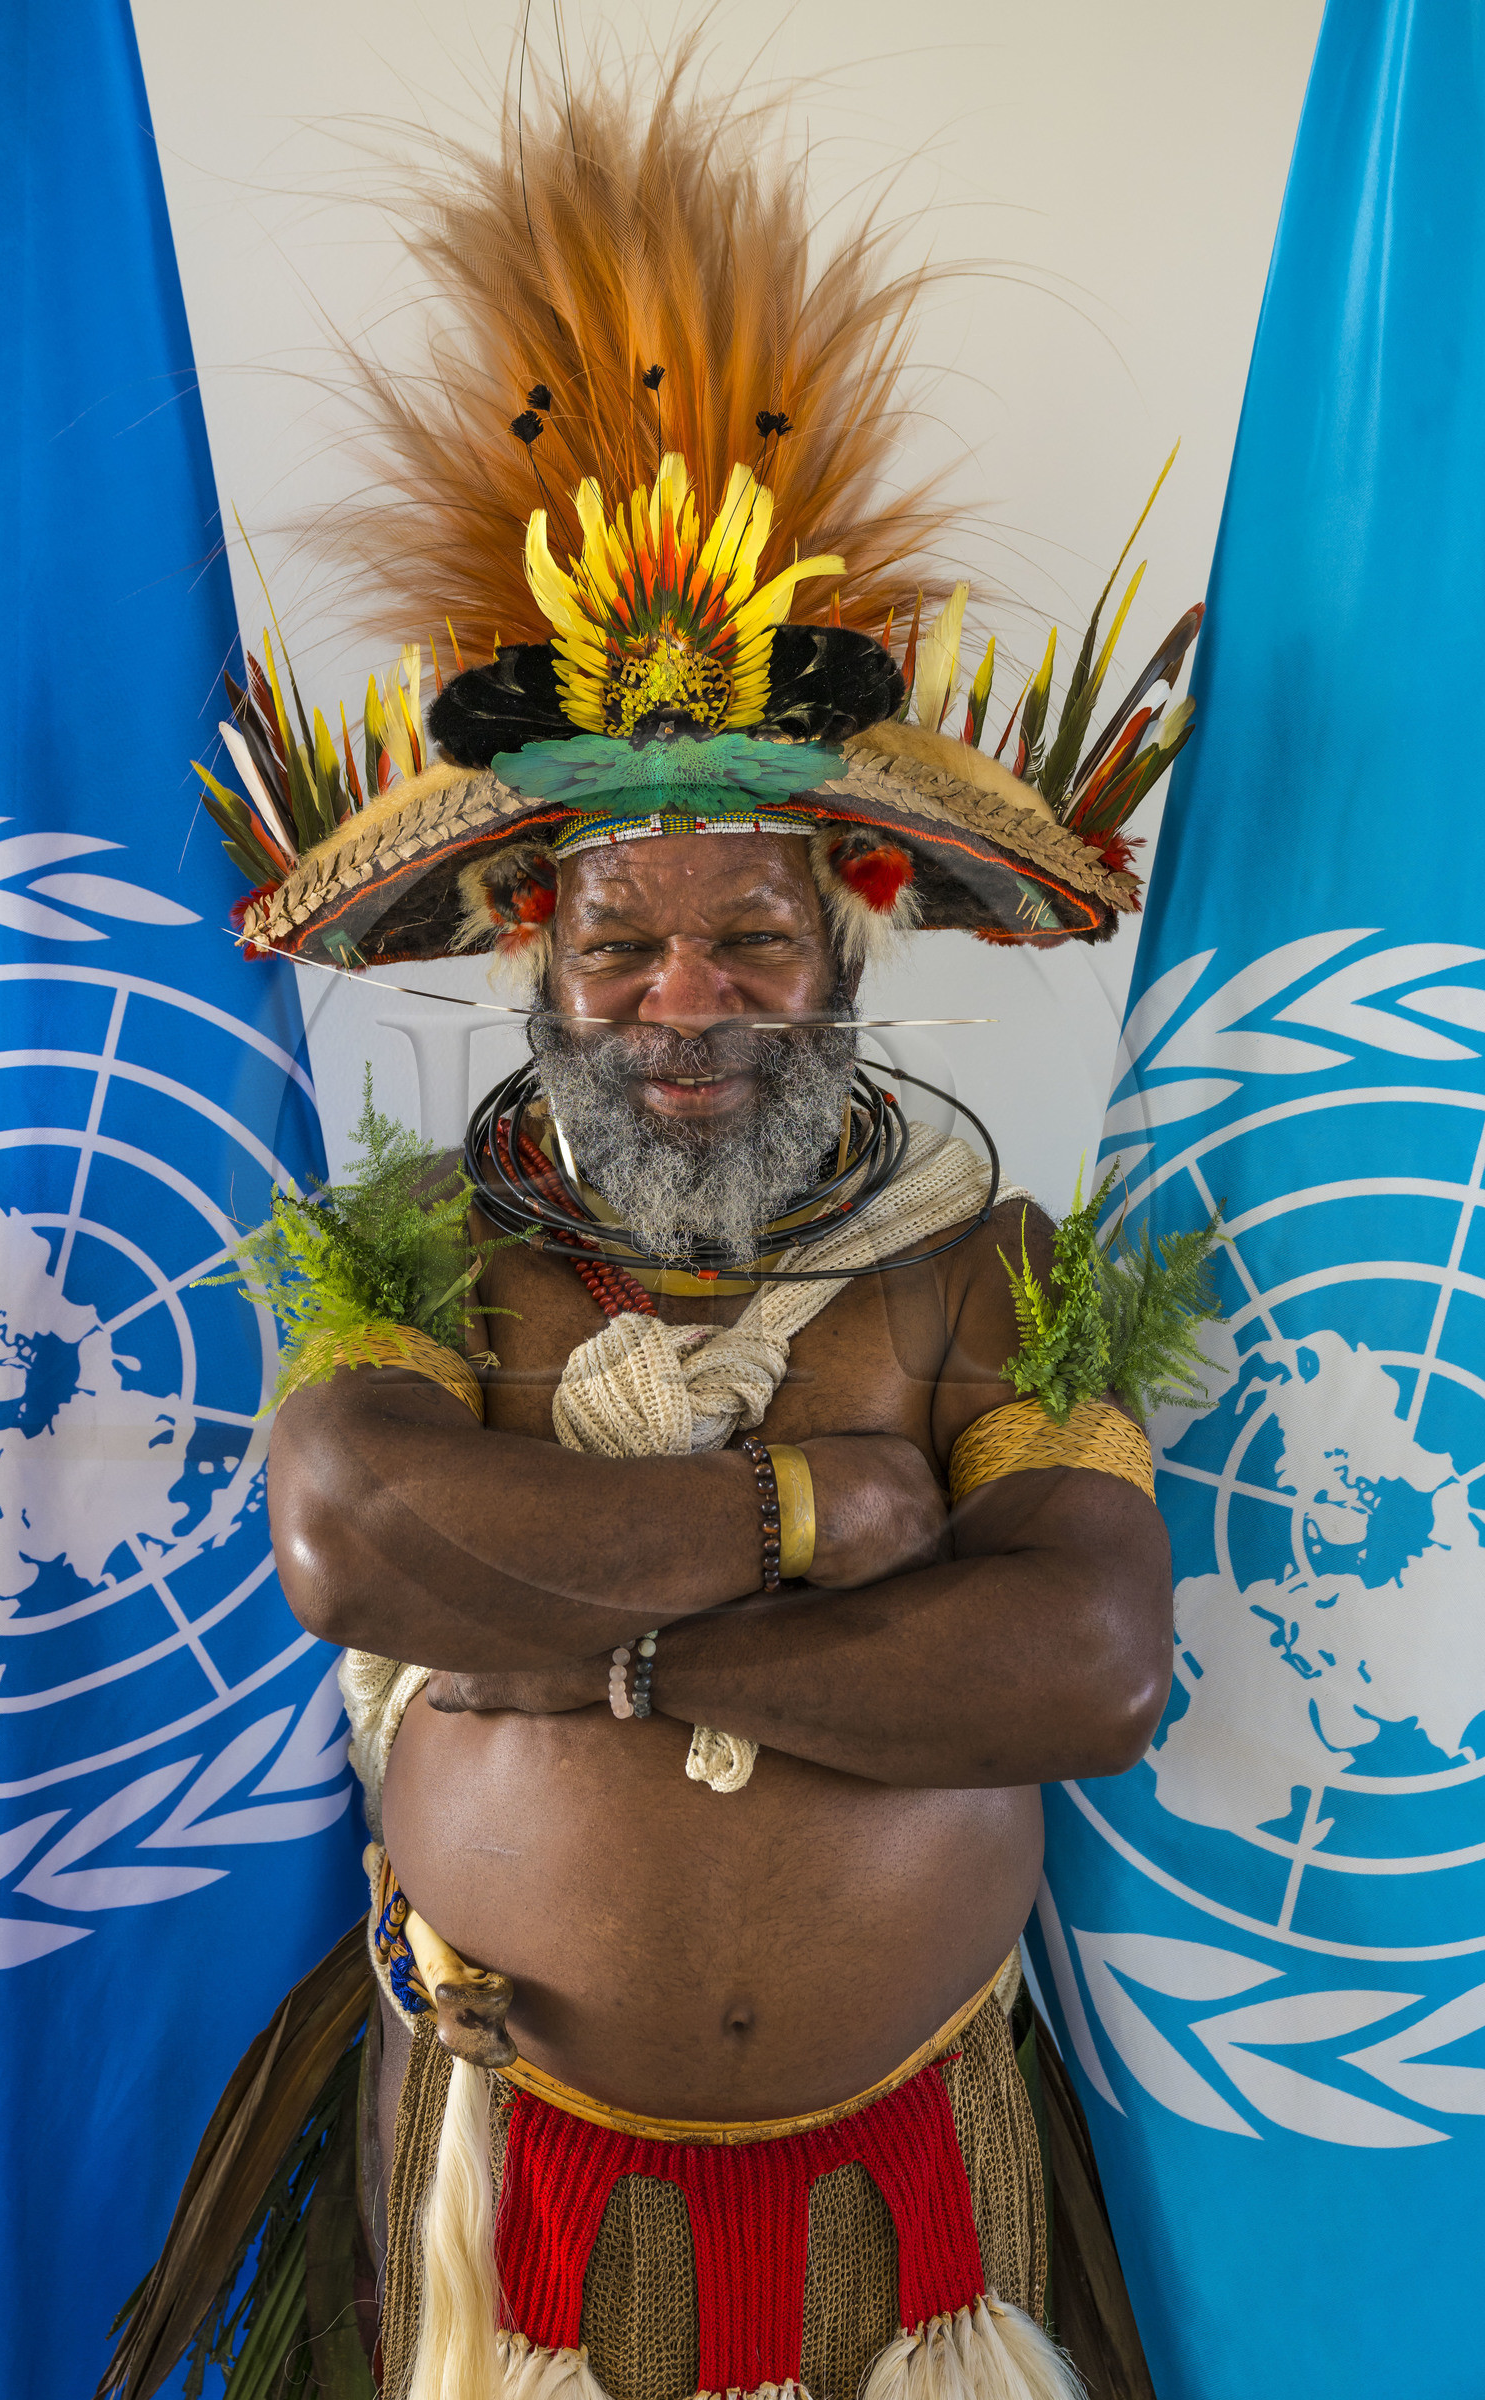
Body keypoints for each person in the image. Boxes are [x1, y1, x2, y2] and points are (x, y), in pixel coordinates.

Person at [104, 43, 1213, 2400]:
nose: (681, 1001)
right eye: (620, 946)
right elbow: (352, 1536)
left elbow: (1086, 1668)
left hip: (916, 2197)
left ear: (846, 956)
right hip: (503, 2196)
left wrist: (601, 1660)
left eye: (751, 941)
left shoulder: (978, 1267)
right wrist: (824, 1519)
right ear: (540, 959)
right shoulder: (422, 1244)